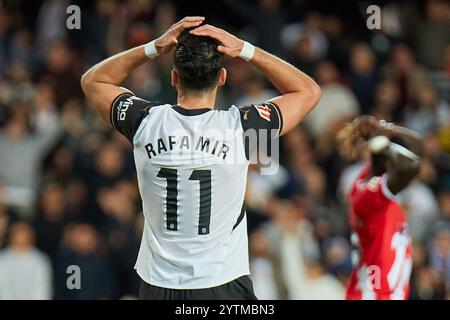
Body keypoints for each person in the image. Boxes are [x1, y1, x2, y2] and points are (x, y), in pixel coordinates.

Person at [81, 16, 320, 300]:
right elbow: (308, 91)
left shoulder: (145, 122)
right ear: (222, 77)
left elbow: (93, 80)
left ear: (173, 77)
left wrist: (155, 47)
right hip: (223, 284)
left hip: (158, 286)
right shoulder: (242, 128)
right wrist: (244, 49)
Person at [337, 116, 422, 300]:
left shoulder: (369, 180)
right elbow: (412, 165)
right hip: (375, 293)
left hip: (383, 292)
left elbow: (419, 148)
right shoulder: (367, 194)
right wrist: (383, 139)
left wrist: (390, 131)